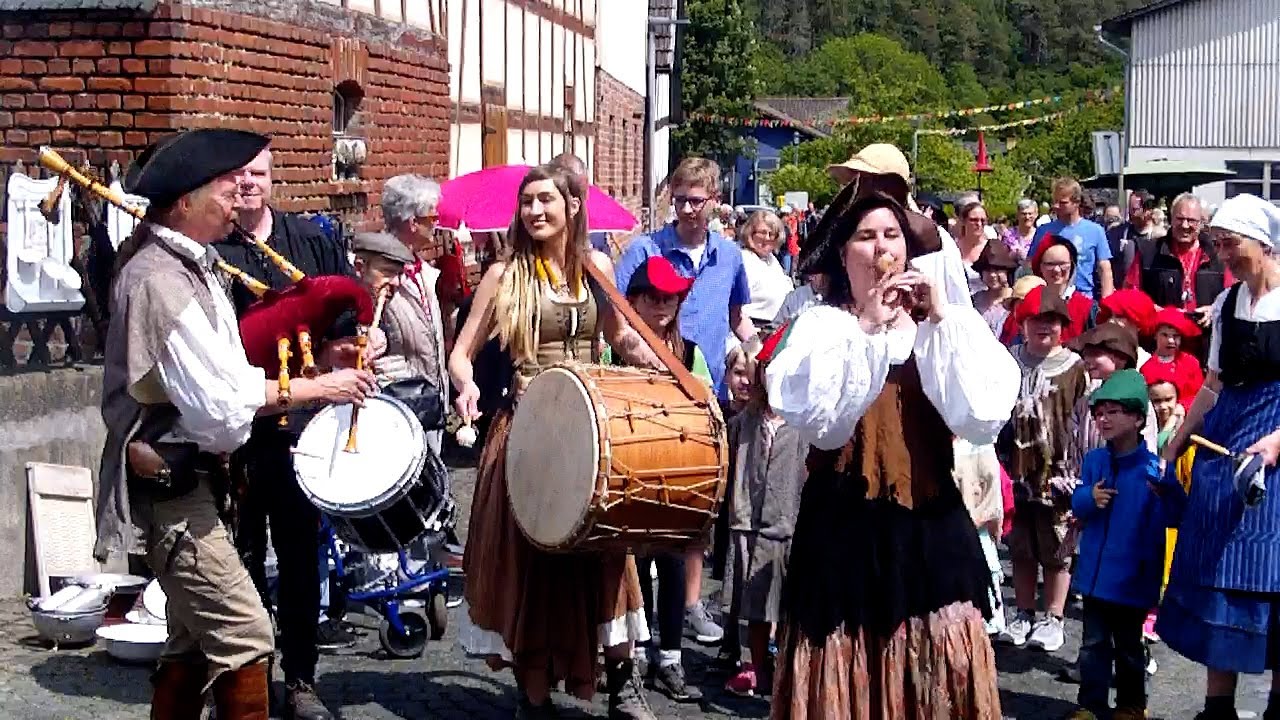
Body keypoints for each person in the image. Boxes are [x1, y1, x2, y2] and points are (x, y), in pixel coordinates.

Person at [95, 129, 376, 719]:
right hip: (174, 489)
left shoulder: (192, 267)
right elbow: (220, 403)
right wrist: (317, 388)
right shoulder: (161, 280)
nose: (236, 200)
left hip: (200, 480)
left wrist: (323, 359)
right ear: (185, 202)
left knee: (193, 643)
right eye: (225, 190)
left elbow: (231, 370)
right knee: (246, 635)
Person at [764, 189, 1019, 718]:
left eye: (892, 235)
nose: (881, 247)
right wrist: (866, 327)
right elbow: (821, 424)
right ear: (843, 255)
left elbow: (981, 416)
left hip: (928, 526)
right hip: (843, 532)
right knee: (845, 664)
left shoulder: (942, 325)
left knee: (938, 664)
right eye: (866, 236)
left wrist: (941, 318)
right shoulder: (824, 326)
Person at [450, 164, 662, 719]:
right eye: (527, 202)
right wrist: (467, 385)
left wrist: (662, 364)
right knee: (533, 564)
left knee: (608, 553)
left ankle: (623, 683)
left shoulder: (597, 267)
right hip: (526, 431)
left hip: (591, 433)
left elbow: (620, 337)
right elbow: (461, 353)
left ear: (572, 206)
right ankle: (534, 689)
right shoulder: (504, 274)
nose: (534, 211)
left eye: (545, 199)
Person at [214, 146, 370, 720]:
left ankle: (301, 678)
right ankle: (246, 679)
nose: (248, 184)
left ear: (273, 179)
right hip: (235, 430)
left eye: (257, 173)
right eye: (238, 174)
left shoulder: (309, 241)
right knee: (241, 557)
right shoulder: (212, 251)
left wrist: (353, 346)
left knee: (301, 554)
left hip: (300, 428)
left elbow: (346, 318)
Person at [616, 156, 756, 645]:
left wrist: (760, 353)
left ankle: (690, 604)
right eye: (680, 200)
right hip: (650, 394)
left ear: (715, 200)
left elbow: (737, 317)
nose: (688, 209)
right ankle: (635, 609)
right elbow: (618, 315)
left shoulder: (729, 256)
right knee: (644, 502)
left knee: (697, 506)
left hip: (707, 393)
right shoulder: (645, 249)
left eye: (697, 200)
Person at [1155, 193, 1280, 720]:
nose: (1223, 254)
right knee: (1216, 565)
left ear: (1263, 243)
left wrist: (1277, 442)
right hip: (1227, 438)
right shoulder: (1228, 303)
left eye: (1231, 244)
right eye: (1219, 244)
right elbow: (1213, 384)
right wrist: (1180, 437)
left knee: (1270, 572)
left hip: (1274, 440)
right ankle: (1217, 706)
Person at [597, 255, 709, 702]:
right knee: (635, 565)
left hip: (678, 472)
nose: (663, 305)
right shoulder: (612, 350)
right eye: (654, 297)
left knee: (674, 563)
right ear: (635, 302)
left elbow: (706, 406)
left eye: (671, 298)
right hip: (630, 471)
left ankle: (671, 658)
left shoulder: (690, 353)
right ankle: (637, 653)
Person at [1068, 369, 1178, 720]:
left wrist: (1168, 492)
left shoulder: (1155, 469)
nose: (1103, 419)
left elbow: (1178, 514)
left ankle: (1131, 706)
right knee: (1092, 646)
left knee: (1130, 648)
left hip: (1133, 580)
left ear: (1137, 419)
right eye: (1099, 413)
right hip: (1095, 578)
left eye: (1113, 412)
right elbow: (1078, 503)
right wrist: (1089, 497)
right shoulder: (1095, 460)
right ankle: (1091, 705)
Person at [1001, 284, 1092, 653]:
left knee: (1057, 548)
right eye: (1036, 320)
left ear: (1062, 326)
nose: (1044, 327)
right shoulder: (1008, 360)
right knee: (1021, 546)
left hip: (1058, 472)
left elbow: (1084, 422)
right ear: (1023, 323)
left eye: (1052, 321)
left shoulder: (1075, 368)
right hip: (1015, 470)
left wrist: (1080, 471)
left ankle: (1053, 617)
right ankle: (1023, 612)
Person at [722, 328, 806, 698]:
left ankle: (786, 667)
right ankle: (756, 666)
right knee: (754, 606)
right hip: (748, 522)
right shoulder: (745, 421)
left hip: (789, 526)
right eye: (767, 369)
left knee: (786, 605)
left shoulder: (804, 424)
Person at [826, 142, 973, 307]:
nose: (854, 190)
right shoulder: (847, 237)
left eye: (862, 180)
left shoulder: (939, 243)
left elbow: (960, 307)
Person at [379, 174, 450, 456]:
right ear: (412, 222)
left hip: (429, 404)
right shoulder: (376, 274)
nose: (436, 224)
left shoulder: (424, 272)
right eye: (432, 218)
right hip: (398, 407)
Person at [1127, 193, 1231, 322]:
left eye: (1191, 220)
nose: (1185, 225)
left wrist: (1213, 310)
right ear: (1171, 219)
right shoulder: (1148, 252)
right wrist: (1154, 310)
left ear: (1201, 223)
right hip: (1161, 330)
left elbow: (1232, 296)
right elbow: (1130, 294)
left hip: (1205, 332)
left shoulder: (1218, 255)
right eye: (1180, 219)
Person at [1029, 177, 1115, 300]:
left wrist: (1107, 301)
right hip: (1051, 298)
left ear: (1077, 202)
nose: (1056, 206)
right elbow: (1031, 265)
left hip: (1084, 298)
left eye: (1063, 202)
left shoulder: (1095, 231)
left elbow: (1104, 268)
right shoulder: (1044, 231)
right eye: (1055, 201)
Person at [1030, 234, 1094, 341]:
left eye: (1062, 264)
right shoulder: (1030, 303)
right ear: (1040, 267)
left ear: (1072, 265)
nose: (1057, 270)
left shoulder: (1087, 308)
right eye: (1050, 264)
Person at [1142, 305, 1206, 412]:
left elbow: (1201, 396)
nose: (1171, 341)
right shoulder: (1146, 367)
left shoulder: (1191, 363)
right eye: (1165, 335)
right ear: (1155, 335)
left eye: (1176, 336)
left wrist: (1182, 407)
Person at [738, 210, 794, 330]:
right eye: (762, 232)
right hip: (752, 330)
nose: (767, 238)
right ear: (750, 233)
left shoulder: (771, 260)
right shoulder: (743, 259)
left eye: (772, 234)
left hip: (777, 329)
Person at [1107, 191, 1159, 289]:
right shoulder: (1118, 233)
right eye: (1130, 209)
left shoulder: (1159, 237)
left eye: (1135, 209)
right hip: (1122, 290)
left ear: (1148, 210)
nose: (1131, 213)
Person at [1096, 288, 1159, 367]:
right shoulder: (1095, 357)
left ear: (1138, 323)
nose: (1111, 321)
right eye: (1110, 316)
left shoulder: (1146, 364)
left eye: (1119, 316)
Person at [972, 241, 1019, 337]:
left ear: (1007, 271)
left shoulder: (1017, 300)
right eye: (987, 270)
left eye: (997, 270)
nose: (992, 275)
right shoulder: (974, 300)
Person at [1003, 198, 1040, 265]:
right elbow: (1002, 258)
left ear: (1036, 215)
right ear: (1017, 215)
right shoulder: (1008, 235)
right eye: (1023, 214)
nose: (1027, 217)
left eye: (1030, 214)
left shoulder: (1040, 235)